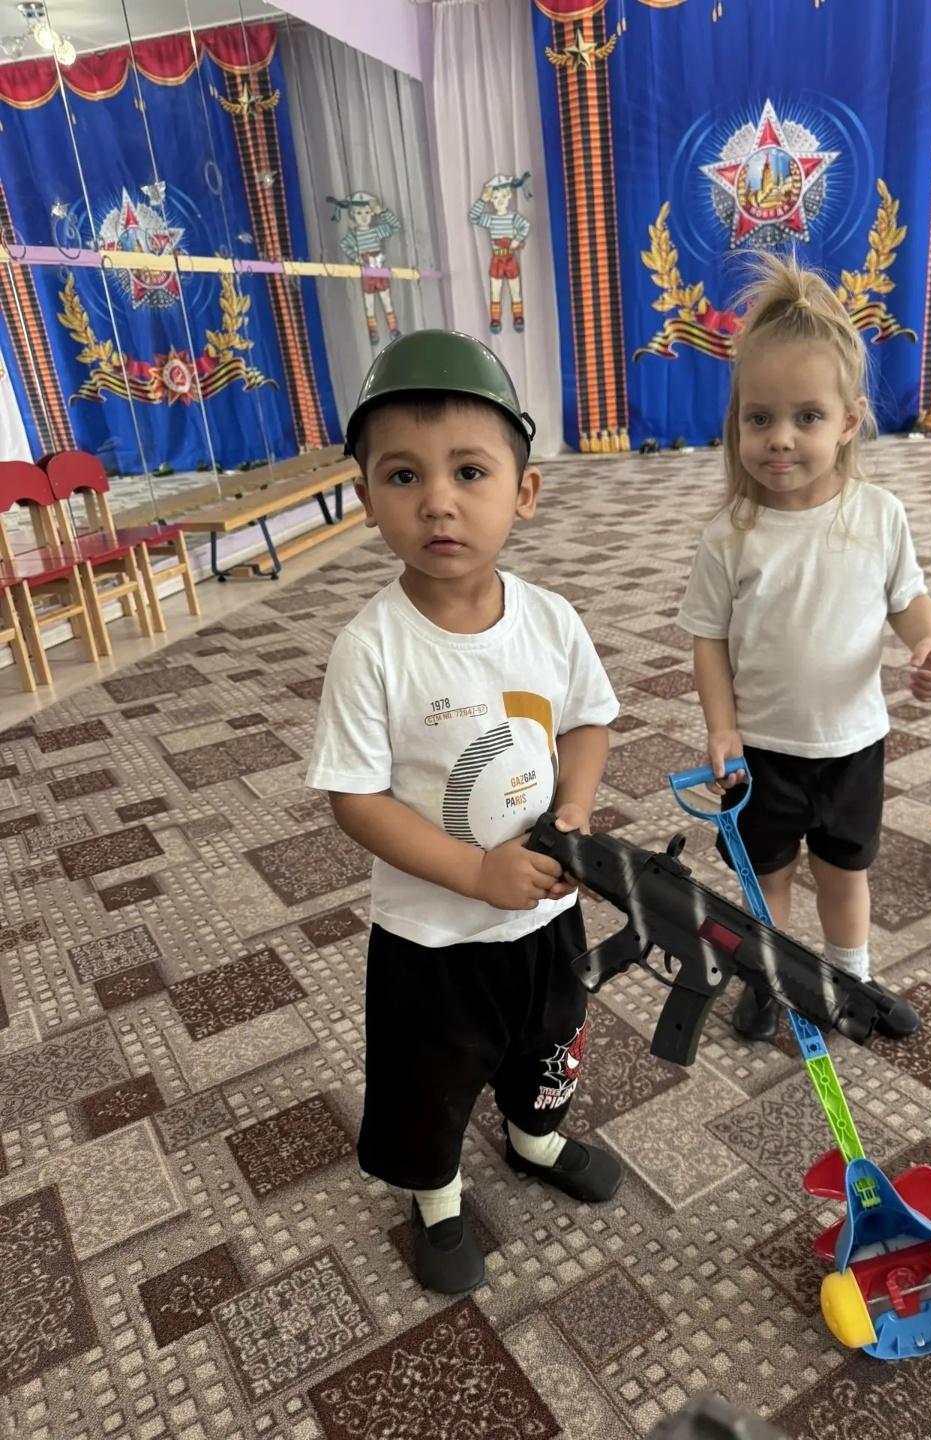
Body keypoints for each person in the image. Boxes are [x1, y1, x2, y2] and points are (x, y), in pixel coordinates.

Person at [306, 329, 622, 1295]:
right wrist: (475, 873)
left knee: (551, 1041)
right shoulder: (373, 649)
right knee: (428, 1081)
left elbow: (588, 721)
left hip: (546, 916)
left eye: (470, 471)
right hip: (432, 939)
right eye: (402, 475)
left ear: (524, 492)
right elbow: (355, 799)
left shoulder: (551, 619)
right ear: (366, 498)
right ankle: (437, 1199)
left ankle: (534, 1139)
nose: (438, 500)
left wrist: (573, 809)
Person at [677, 254, 931, 1043]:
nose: (781, 439)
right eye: (759, 418)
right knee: (767, 881)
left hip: (853, 745)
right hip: (762, 751)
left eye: (807, 417)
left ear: (849, 421)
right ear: (737, 422)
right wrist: (722, 727)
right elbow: (708, 639)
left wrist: (927, 641)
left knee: (844, 873)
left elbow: (906, 597)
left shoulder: (878, 514)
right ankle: (770, 976)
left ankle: (850, 980)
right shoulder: (730, 535)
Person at [327, 190, 402, 346]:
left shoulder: (376, 231)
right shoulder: (354, 236)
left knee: (386, 300)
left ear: (372, 213)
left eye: (367, 212)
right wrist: (356, 257)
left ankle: (393, 329)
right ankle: (373, 331)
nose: (363, 217)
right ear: (353, 214)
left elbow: (395, 226)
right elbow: (344, 245)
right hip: (367, 272)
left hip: (379, 270)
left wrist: (382, 211)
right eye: (359, 213)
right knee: (369, 304)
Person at [469, 173, 531, 333]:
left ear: (509, 196)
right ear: (491, 200)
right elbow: (473, 217)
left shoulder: (513, 217)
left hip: (510, 257)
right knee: (495, 290)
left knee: (515, 289)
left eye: (503, 196)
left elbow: (525, 225)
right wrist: (482, 199)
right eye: (496, 197)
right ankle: (495, 319)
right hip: (497, 258)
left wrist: (516, 240)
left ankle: (518, 317)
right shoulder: (491, 219)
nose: (500, 200)